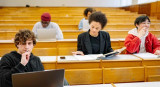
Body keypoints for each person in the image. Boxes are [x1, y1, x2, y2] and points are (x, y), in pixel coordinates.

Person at [0, 29, 68, 87]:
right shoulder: (7, 58)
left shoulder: (36, 60)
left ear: (33, 45)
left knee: (63, 81)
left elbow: (42, 80)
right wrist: (21, 64)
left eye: (29, 43)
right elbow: (3, 82)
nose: (27, 47)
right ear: (17, 44)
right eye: (23, 43)